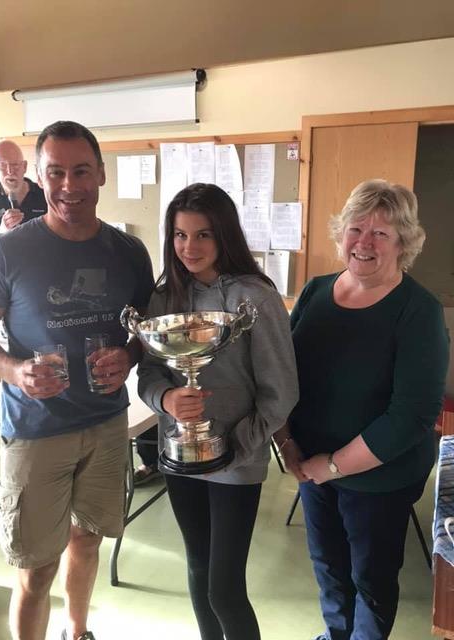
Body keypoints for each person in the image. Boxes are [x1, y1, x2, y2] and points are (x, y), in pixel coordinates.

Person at [0, 121, 154, 640]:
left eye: (80, 171)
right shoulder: (5, 252)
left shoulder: (127, 253)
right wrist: (14, 370)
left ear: (101, 173)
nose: (69, 186)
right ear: (39, 175)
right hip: (35, 428)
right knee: (36, 567)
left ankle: (78, 632)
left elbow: (143, 331)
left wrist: (130, 354)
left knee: (89, 540)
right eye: (56, 172)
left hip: (105, 423)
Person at [275, 179, 449, 640]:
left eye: (381, 233)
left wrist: (330, 465)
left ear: (403, 244)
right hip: (311, 465)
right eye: (356, 229)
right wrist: (289, 444)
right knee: (328, 566)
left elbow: (410, 416)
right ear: (341, 233)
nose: (364, 243)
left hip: (378, 478)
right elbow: (283, 374)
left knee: (369, 579)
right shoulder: (315, 292)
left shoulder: (419, 311)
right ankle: (335, 635)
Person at [138, 183, 298, 640]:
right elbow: (148, 374)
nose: (190, 247)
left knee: (225, 589)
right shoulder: (165, 296)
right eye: (180, 235)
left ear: (224, 235)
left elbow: (281, 391)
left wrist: (236, 444)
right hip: (179, 457)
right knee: (196, 568)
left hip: (237, 461)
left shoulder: (254, 298)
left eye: (203, 235)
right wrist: (166, 401)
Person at [0, 139, 47, 248]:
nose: (10, 171)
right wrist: (0, 232)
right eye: (3, 165)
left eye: (15, 164)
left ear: (25, 166)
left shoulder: (45, 194)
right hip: (2, 265)